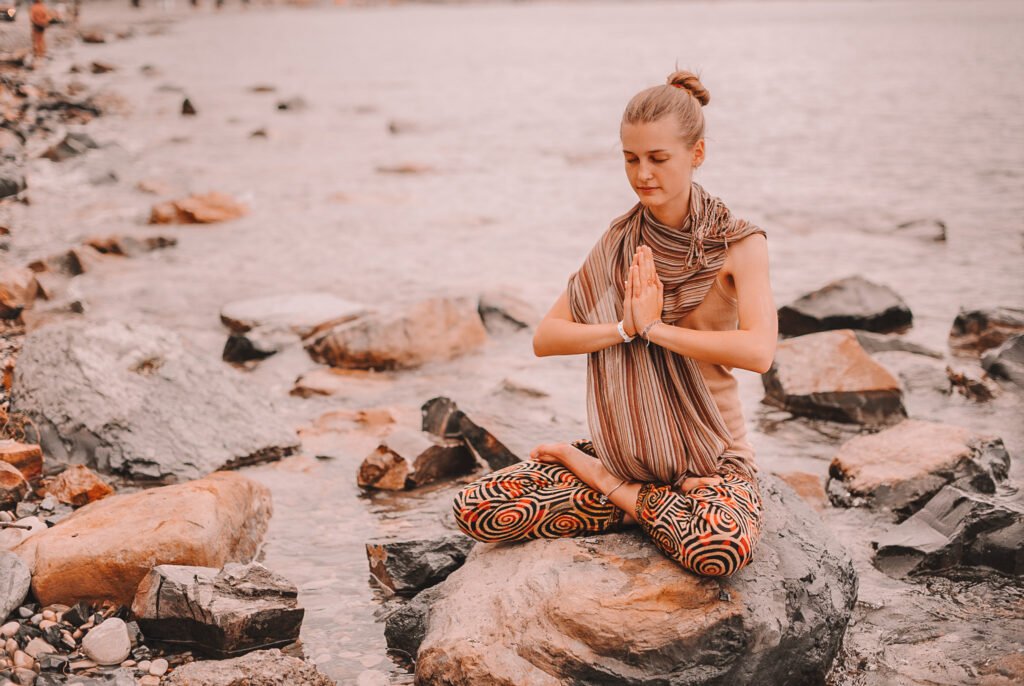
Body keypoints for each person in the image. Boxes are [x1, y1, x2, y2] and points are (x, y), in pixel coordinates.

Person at [451, 69, 778, 578]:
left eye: (658, 158)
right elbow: (546, 337)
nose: (642, 174)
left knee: (719, 548)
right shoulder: (620, 243)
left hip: (713, 462)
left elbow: (760, 352)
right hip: (630, 450)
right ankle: (643, 502)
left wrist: (655, 329)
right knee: (478, 506)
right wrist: (624, 329)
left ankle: (607, 486)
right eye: (631, 159)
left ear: (697, 154)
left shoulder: (738, 245)